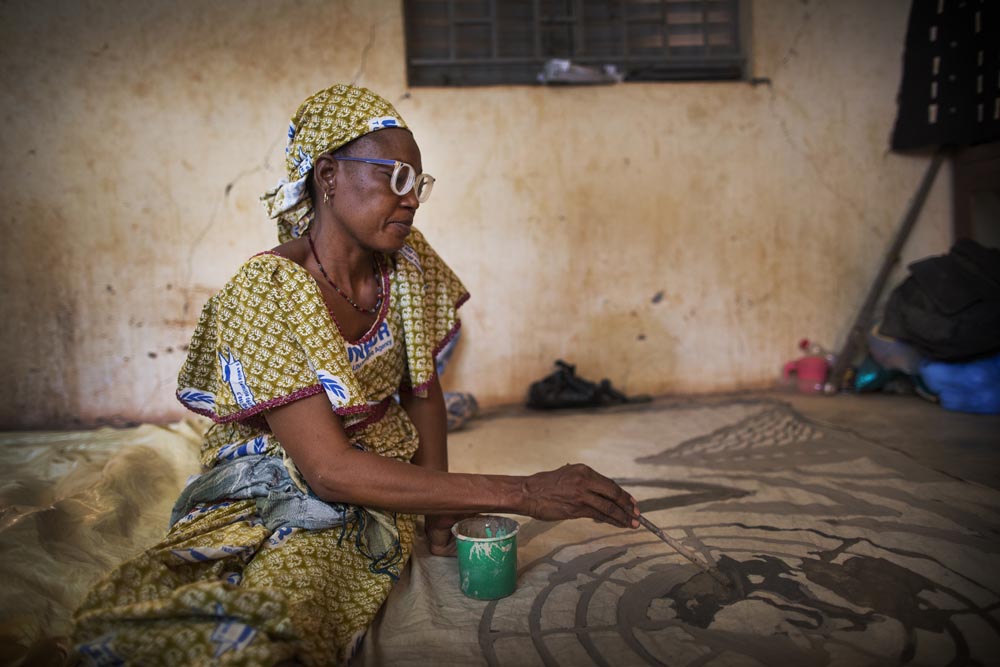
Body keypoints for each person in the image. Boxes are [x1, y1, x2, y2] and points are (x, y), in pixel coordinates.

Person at [72, 83, 639, 666]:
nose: (412, 200)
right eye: (395, 178)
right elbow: (328, 471)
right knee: (275, 597)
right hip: (289, 471)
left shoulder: (407, 263)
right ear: (328, 175)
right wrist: (524, 492)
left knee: (327, 571)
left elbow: (422, 391)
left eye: (418, 183)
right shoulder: (264, 293)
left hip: (373, 462)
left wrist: (438, 507)